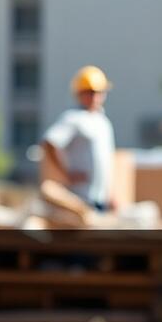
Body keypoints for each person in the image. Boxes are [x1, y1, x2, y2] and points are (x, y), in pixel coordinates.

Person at [41, 65, 116, 212]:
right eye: (89, 92)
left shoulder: (103, 122)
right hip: (80, 197)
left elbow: (107, 162)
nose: (94, 97)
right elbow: (50, 142)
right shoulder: (73, 118)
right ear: (79, 94)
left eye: (97, 92)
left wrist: (112, 194)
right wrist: (66, 173)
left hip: (100, 199)